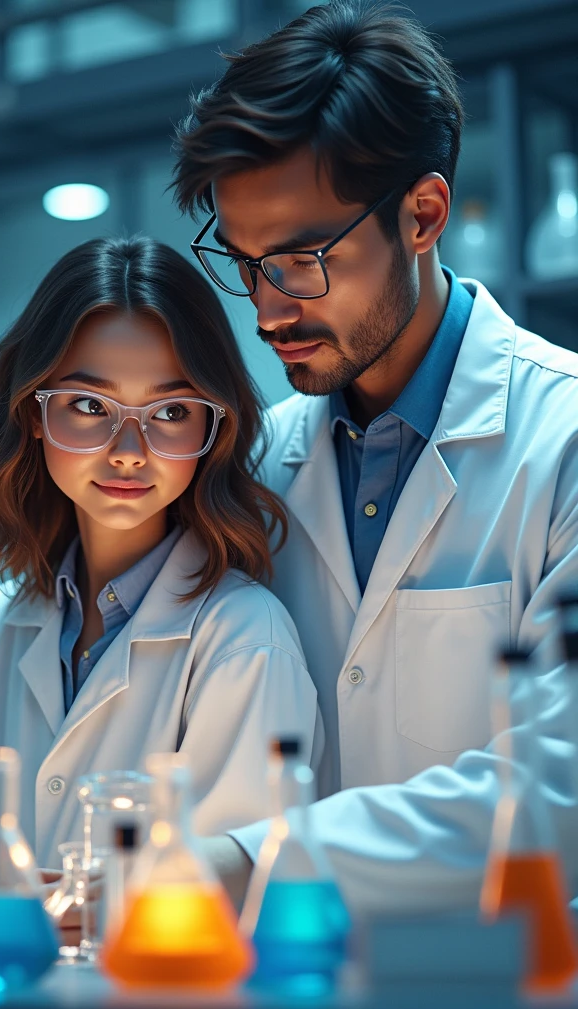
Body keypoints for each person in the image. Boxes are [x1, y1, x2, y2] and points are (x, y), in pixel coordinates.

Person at [171, 0, 578, 912]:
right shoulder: (256, 467)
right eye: (243, 262)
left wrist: (248, 863)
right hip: (287, 977)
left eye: (302, 258)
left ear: (423, 213)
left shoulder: (565, 443)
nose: (268, 310)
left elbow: (561, 787)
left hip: (507, 983)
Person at [0, 237, 322, 928]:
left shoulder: (242, 638)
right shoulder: (6, 621)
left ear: (215, 429)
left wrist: (52, 905)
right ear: (34, 413)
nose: (129, 450)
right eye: (90, 406)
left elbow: (232, 886)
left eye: (172, 413)